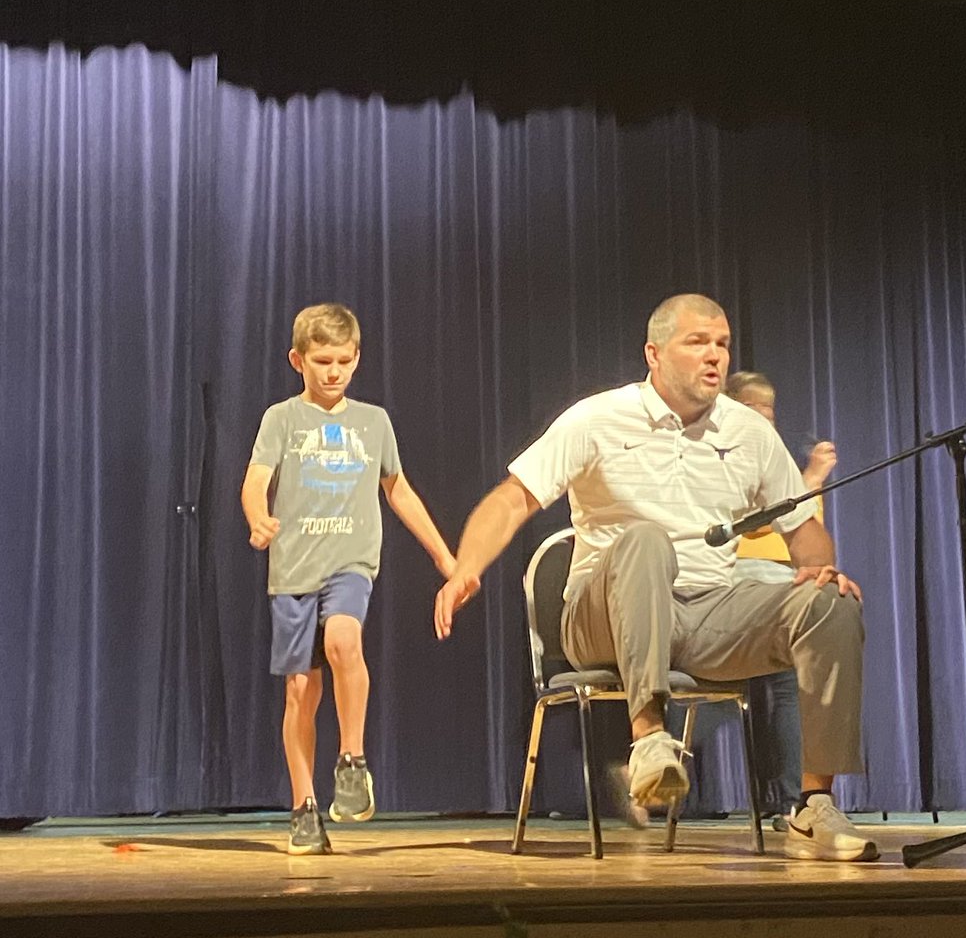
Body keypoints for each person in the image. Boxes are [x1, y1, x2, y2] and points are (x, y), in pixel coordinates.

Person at [436, 293, 876, 861]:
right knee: (644, 538)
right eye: (697, 343)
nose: (714, 356)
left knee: (830, 604)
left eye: (721, 344)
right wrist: (464, 569)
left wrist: (819, 569)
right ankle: (648, 739)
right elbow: (512, 500)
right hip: (602, 617)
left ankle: (813, 807)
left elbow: (802, 530)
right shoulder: (597, 418)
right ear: (654, 354)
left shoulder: (749, 432)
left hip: (708, 614)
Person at [243, 303, 455, 855]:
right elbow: (255, 479)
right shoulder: (281, 419)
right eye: (322, 361)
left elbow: (398, 490)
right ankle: (303, 807)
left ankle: (353, 759)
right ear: (298, 361)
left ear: (357, 359)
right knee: (301, 692)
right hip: (293, 570)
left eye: (343, 361)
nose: (333, 372)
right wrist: (257, 516)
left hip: (350, 561)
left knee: (344, 639)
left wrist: (444, 557)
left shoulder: (373, 422)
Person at [726, 370, 837, 830]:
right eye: (755, 412)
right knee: (721, 687)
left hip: (784, 578)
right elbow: (752, 524)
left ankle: (793, 802)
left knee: (790, 687)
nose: (764, 423)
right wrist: (810, 476)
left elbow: (809, 530)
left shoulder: (777, 464)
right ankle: (652, 769)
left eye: (769, 414)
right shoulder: (730, 454)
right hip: (740, 577)